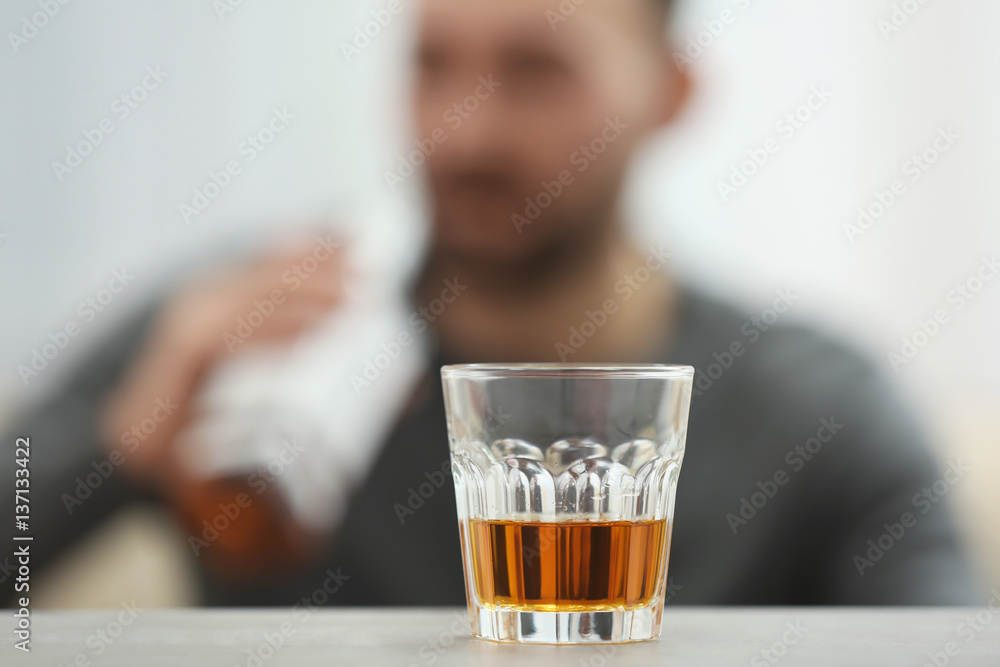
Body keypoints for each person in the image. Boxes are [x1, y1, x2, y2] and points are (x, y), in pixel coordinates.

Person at [2, 0, 982, 607]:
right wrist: (112, 447)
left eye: (536, 69)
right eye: (430, 64)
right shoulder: (243, 333)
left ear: (670, 93)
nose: (462, 134)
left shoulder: (814, 412)